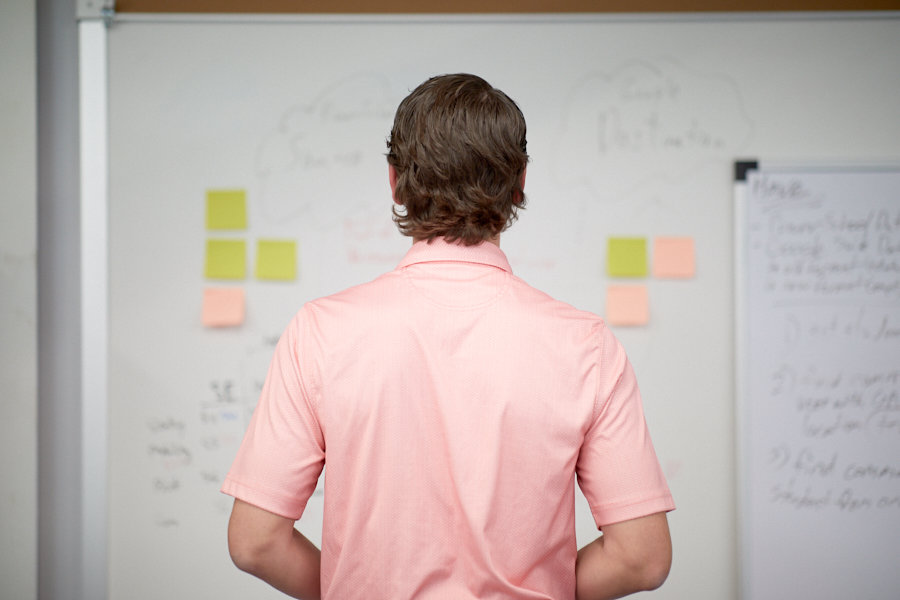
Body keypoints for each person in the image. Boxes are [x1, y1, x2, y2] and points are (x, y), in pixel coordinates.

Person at [222, 73, 674, 600]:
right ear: (520, 181)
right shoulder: (587, 346)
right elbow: (641, 560)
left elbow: (255, 542)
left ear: (393, 180)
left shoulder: (320, 332)